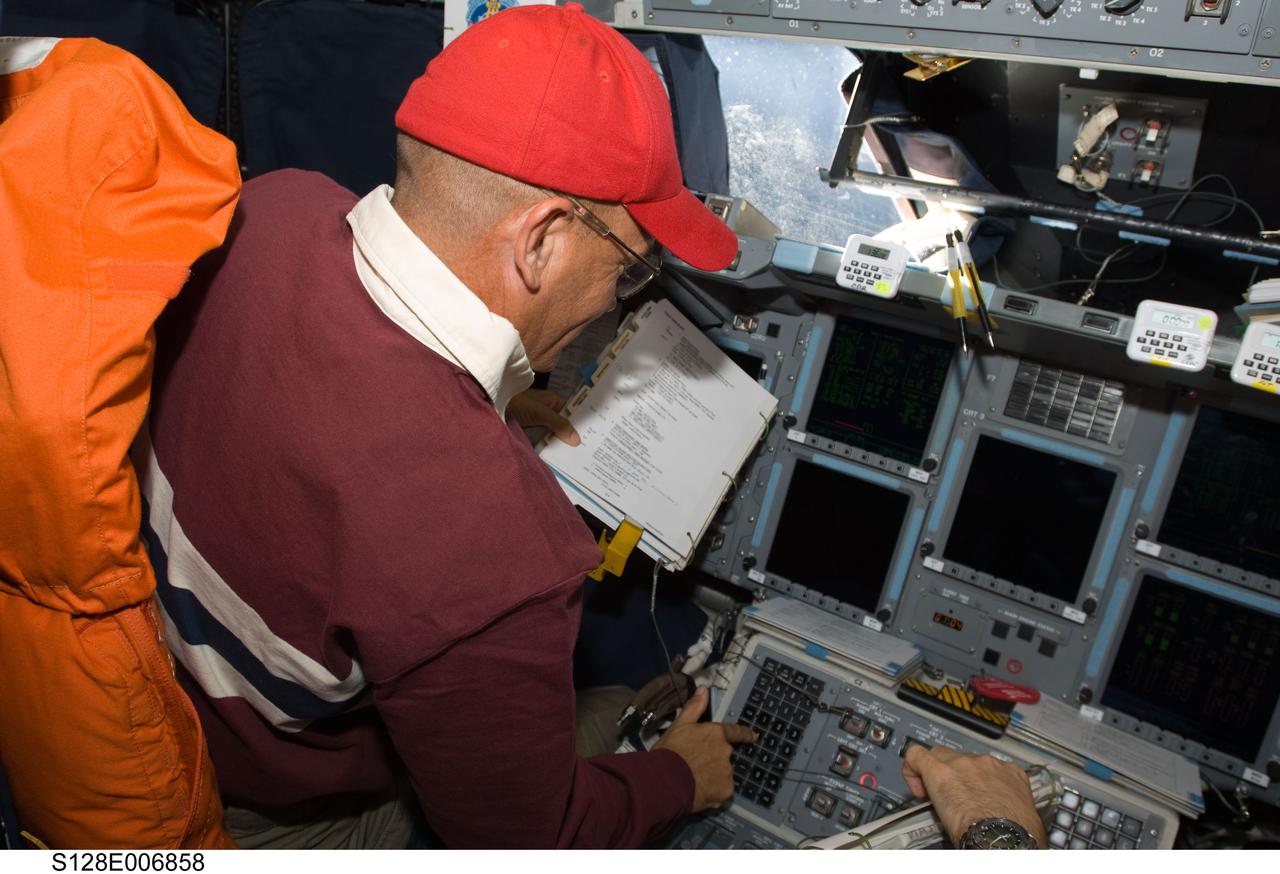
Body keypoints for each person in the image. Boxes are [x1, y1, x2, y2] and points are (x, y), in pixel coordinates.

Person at [138, 2, 1044, 849]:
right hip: (272, 805)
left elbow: (340, 395)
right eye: (629, 271)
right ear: (540, 240)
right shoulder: (497, 545)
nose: (619, 299)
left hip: (165, 695)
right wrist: (677, 782)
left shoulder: (266, 209)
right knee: (632, 704)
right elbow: (523, 838)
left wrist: (479, 402)